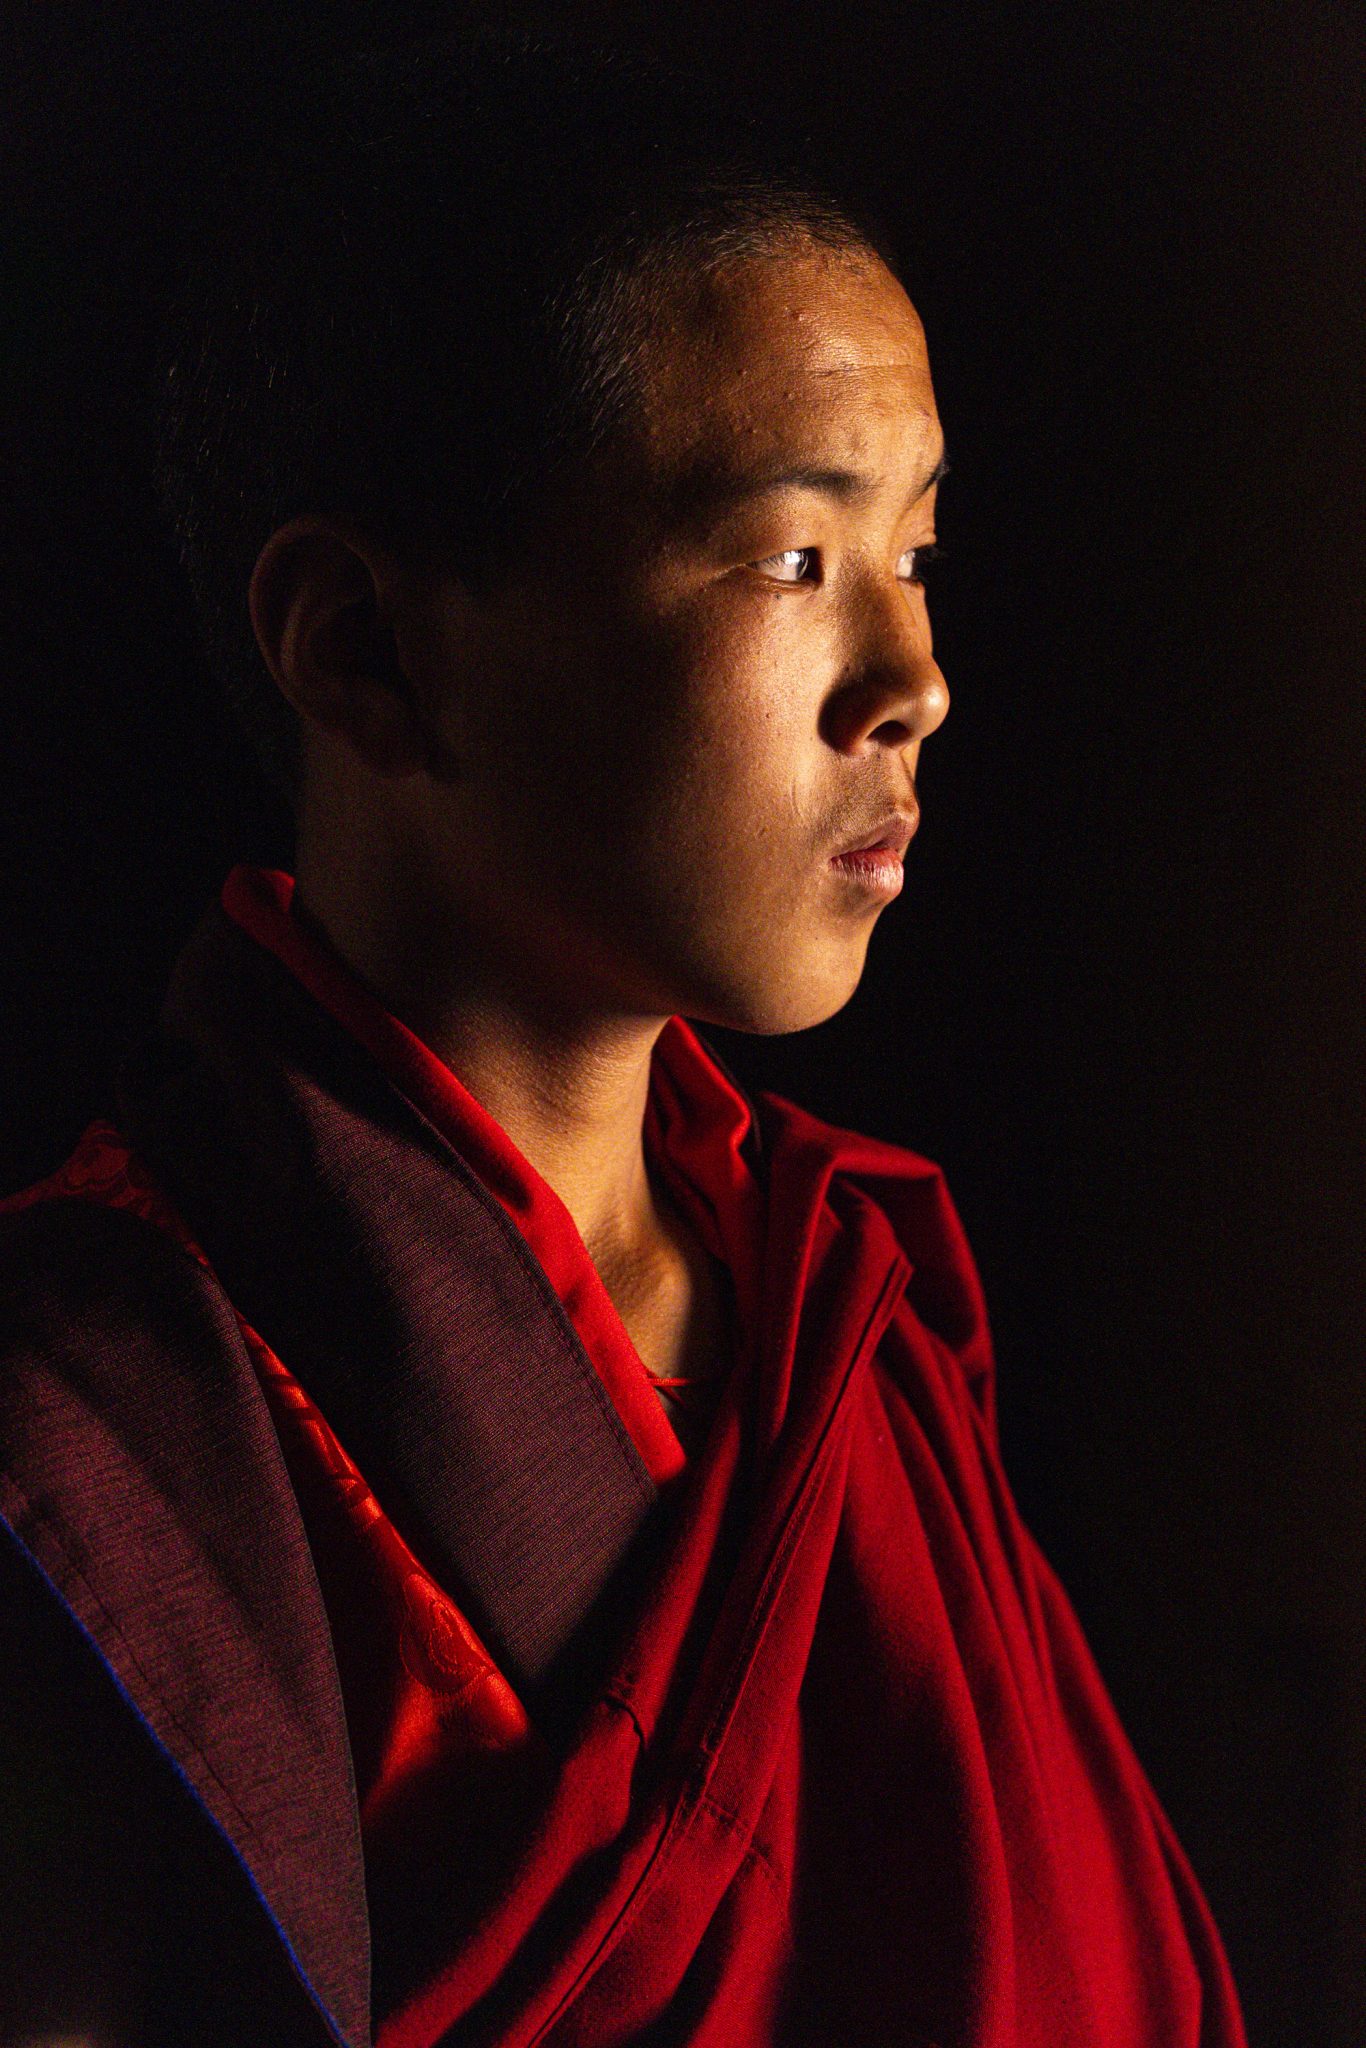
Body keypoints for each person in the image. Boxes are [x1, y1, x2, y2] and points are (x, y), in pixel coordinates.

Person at [0, 27, 1247, 2048]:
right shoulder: (105, 1452)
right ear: (365, 648)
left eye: (914, 553)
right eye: (791, 557)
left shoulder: (834, 1300)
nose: (912, 677)